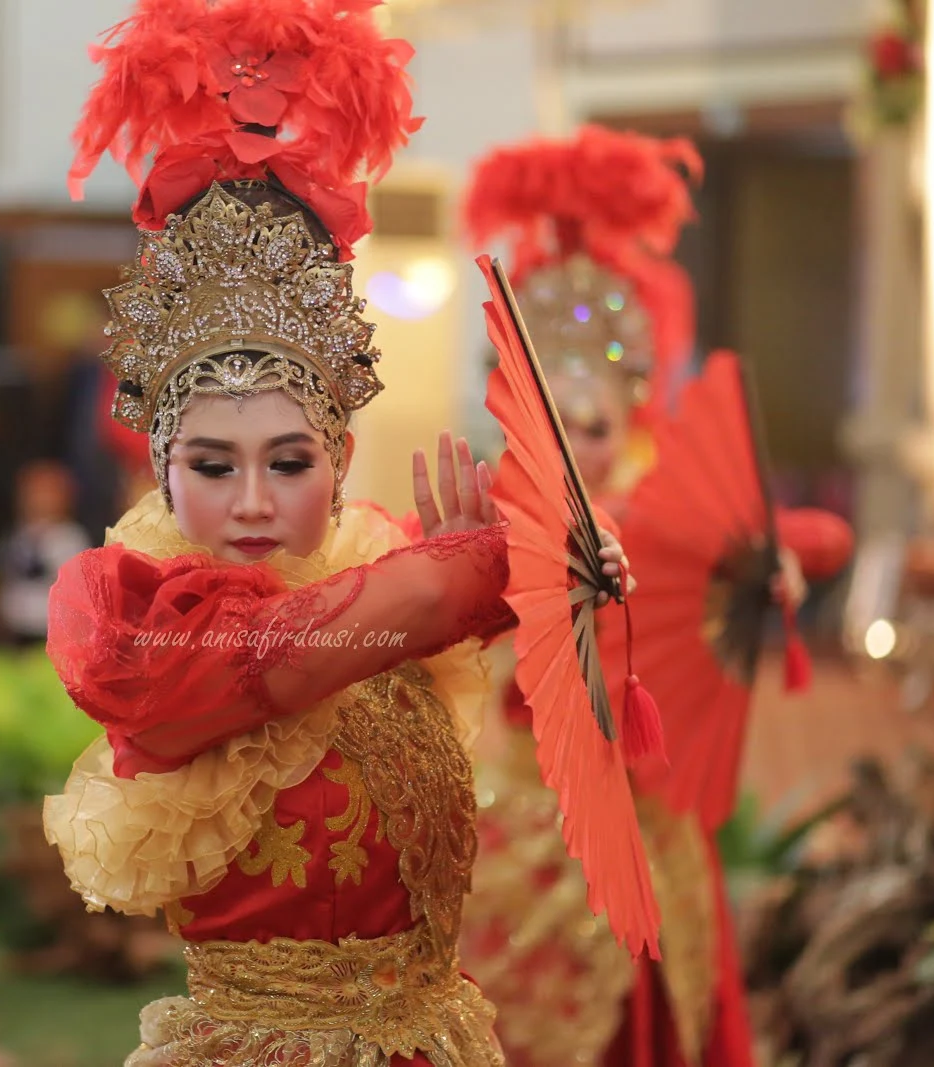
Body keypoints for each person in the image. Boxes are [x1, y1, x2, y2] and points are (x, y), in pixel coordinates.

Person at [41, 5, 651, 1066]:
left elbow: (391, 623)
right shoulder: (136, 621)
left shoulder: (377, 578)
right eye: (212, 466)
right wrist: (487, 568)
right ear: (158, 465)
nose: (250, 504)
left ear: (339, 459)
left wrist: (556, 584)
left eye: (288, 462)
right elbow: (309, 648)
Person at [457, 127, 851, 1067]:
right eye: (555, 414)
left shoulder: (652, 508)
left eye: (595, 421)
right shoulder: (488, 510)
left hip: (643, 811)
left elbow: (816, 535)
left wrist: (768, 563)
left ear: (627, 414)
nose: (579, 442)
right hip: (513, 811)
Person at [0, 460, 90, 645]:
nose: (39, 498)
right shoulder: (15, 536)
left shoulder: (70, 537)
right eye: (33, 491)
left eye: (47, 491)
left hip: (51, 631)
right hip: (15, 628)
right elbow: (3, 577)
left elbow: (79, 591)